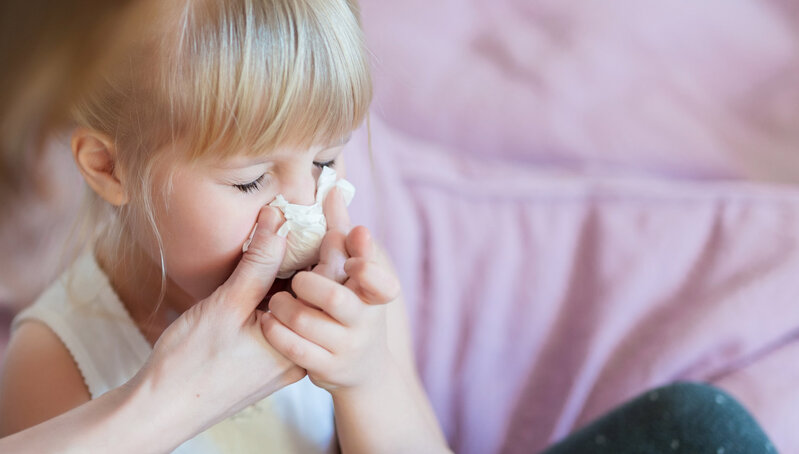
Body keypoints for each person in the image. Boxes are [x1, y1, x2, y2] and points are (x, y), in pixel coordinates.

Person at [0, 0, 450, 452]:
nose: (306, 208)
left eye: (325, 160)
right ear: (110, 168)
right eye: (249, 180)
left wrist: (370, 380)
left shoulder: (351, 297)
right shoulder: (55, 360)